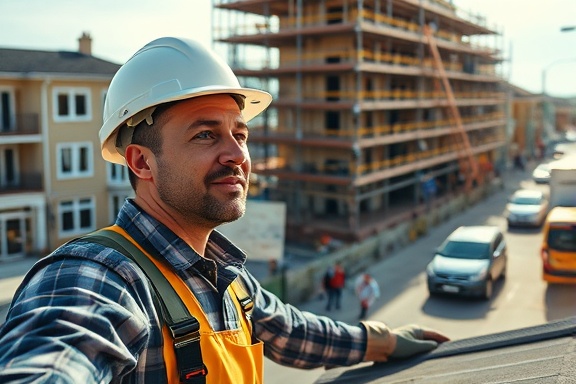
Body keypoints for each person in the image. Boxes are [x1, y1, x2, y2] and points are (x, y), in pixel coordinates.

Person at [0, 37, 449, 383]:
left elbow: (292, 331)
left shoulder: (224, 277)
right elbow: (53, 358)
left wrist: (383, 341)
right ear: (141, 161)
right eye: (205, 135)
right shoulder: (99, 277)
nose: (237, 154)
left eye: (241, 133)